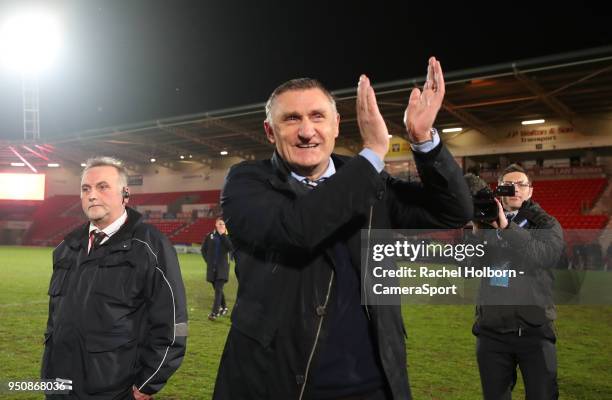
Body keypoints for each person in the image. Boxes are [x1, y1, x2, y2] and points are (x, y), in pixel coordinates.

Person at [213, 57, 472, 400]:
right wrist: (373, 153)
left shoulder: (369, 178)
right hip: (277, 383)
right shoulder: (246, 182)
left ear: (336, 124)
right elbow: (297, 230)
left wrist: (424, 141)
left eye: (318, 116)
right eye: (292, 119)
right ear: (269, 130)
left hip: (374, 384)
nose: (307, 131)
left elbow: (453, 211)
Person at [41, 156, 188, 400]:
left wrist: (148, 382)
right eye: (85, 188)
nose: (92, 195)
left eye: (102, 186)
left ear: (125, 194)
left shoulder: (150, 246)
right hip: (59, 386)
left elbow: (173, 323)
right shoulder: (66, 247)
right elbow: (55, 319)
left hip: (113, 388)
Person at [469, 164, 564, 400]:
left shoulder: (546, 223)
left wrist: (506, 227)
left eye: (522, 184)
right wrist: (477, 236)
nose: (516, 189)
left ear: (530, 191)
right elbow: (468, 267)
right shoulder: (485, 222)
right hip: (491, 331)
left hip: (534, 329)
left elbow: (544, 255)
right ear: (499, 190)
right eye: (509, 185)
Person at [201, 217, 234, 320]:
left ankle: (214, 313)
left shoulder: (227, 236)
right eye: (219, 224)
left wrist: (223, 235)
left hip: (222, 268)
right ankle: (224, 307)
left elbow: (231, 247)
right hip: (212, 268)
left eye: (223, 224)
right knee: (217, 289)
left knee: (218, 290)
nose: (221, 226)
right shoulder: (210, 235)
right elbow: (203, 250)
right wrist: (208, 261)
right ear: (216, 224)